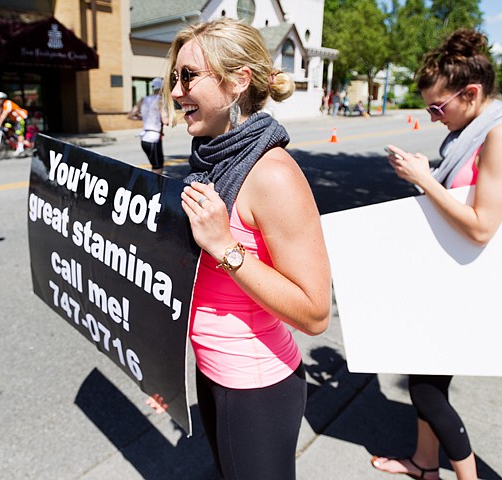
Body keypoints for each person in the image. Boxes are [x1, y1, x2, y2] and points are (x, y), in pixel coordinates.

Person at [159, 18, 332, 479]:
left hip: (255, 385)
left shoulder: (273, 174)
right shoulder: (211, 160)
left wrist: (225, 247)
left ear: (238, 81)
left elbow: (315, 314)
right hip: (212, 372)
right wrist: (158, 367)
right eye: (176, 78)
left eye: (189, 76)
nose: (177, 92)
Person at [371, 29, 502, 480]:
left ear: (472, 93)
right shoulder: (472, 134)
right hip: (447, 279)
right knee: (430, 378)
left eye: (438, 107)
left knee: (423, 390)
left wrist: (425, 181)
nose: (433, 117)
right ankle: (425, 464)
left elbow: (482, 226)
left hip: (472, 283)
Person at [128, 77, 168, 174]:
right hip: (154, 138)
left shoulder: (143, 100)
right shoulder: (160, 101)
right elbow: (165, 120)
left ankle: (154, 186)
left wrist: (143, 118)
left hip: (144, 138)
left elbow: (130, 115)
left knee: (154, 165)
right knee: (158, 167)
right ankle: (155, 188)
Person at [0, 91, 28, 156]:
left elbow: (4, 113)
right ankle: (14, 140)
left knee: (19, 133)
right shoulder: (1, 106)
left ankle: (20, 149)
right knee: (6, 128)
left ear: (3, 98)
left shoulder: (8, 103)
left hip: (20, 118)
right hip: (12, 120)